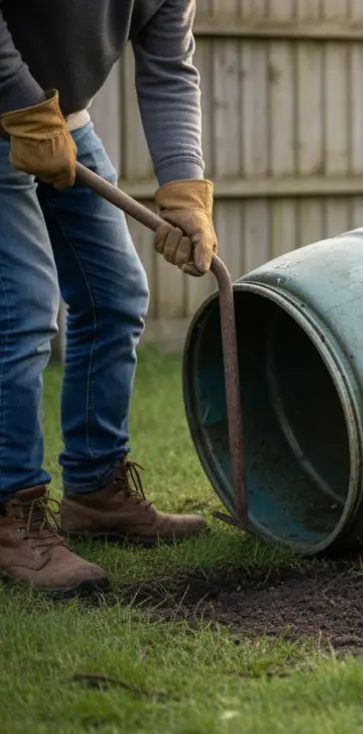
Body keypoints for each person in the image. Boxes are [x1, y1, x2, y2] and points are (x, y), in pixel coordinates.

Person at [0, 0, 219, 597]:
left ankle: (96, 489)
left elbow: (169, 68)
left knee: (115, 293)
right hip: (9, 104)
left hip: (64, 120)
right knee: (23, 311)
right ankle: (11, 514)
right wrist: (21, 102)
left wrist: (184, 187)